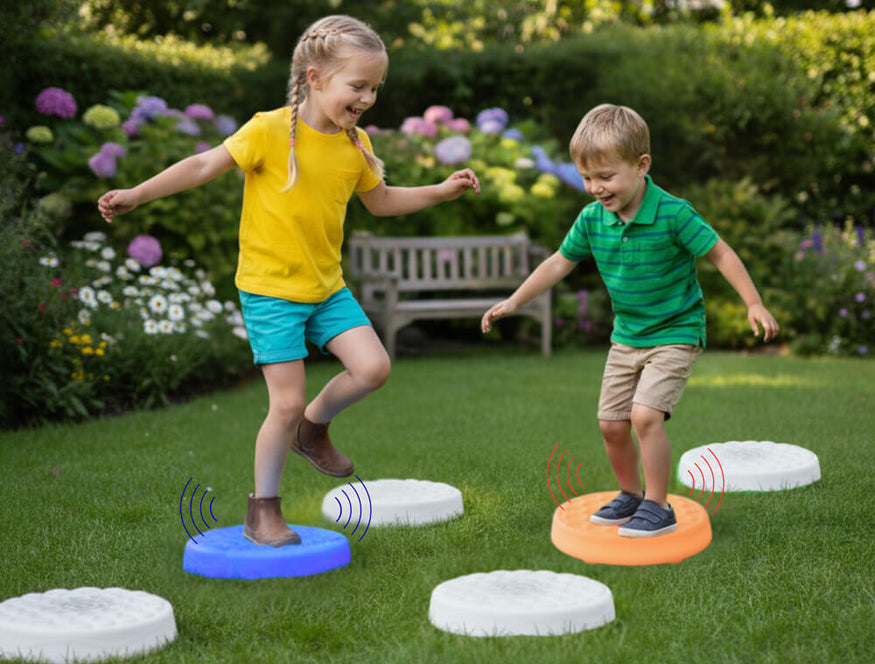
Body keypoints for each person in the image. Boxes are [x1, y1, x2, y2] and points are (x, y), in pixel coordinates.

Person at [98, 15, 480, 547]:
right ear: (316, 77)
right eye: (358, 85)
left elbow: (383, 200)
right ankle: (264, 510)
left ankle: (313, 428)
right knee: (283, 402)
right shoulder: (268, 131)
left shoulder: (355, 143)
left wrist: (440, 190)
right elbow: (202, 165)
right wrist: (136, 195)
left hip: (326, 288)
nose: (367, 97)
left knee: (373, 367)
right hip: (271, 291)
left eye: (374, 87)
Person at [482, 104, 778, 537]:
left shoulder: (674, 213)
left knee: (644, 416)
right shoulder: (592, 219)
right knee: (611, 424)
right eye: (586, 178)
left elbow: (719, 252)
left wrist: (753, 302)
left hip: (676, 332)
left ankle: (659, 506)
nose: (595, 188)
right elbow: (558, 264)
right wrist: (514, 301)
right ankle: (631, 495)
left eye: (605, 177)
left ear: (642, 166)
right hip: (627, 336)